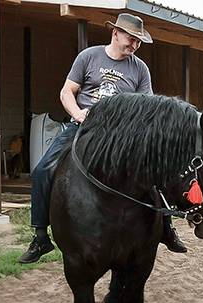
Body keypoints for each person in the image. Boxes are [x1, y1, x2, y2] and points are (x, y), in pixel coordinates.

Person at [19, 12, 185, 265]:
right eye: (131, 39)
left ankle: (166, 228)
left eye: (138, 42)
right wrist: (78, 114)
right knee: (43, 170)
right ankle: (40, 236)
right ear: (115, 33)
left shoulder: (140, 69)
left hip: (123, 136)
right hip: (83, 128)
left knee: (156, 173)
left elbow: (147, 108)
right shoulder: (88, 57)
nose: (134, 45)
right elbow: (67, 92)